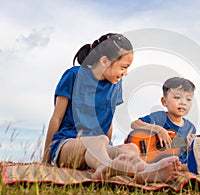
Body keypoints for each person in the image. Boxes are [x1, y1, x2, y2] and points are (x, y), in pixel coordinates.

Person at [42, 33, 181, 183]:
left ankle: (145, 171)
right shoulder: (74, 75)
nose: (125, 73)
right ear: (104, 61)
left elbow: (108, 122)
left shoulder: (116, 85)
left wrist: (109, 149)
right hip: (66, 145)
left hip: (98, 147)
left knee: (131, 149)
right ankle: (105, 165)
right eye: (123, 67)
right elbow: (57, 117)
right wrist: (45, 159)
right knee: (97, 141)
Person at [131, 77, 200, 176]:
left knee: (184, 164)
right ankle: (199, 169)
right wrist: (158, 129)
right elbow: (135, 124)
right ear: (164, 101)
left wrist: (190, 146)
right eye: (177, 97)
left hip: (179, 163)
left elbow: (185, 154)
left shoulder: (191, 128)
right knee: (179, 167)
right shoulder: (159, 117)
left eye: (188, 99)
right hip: (153, 162)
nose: (183, 102)